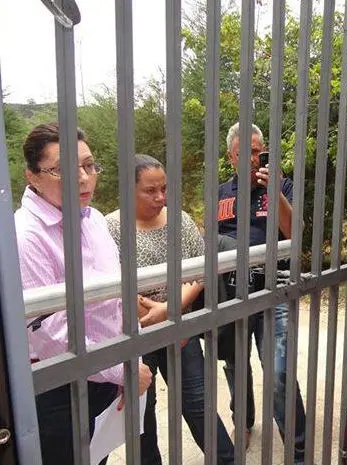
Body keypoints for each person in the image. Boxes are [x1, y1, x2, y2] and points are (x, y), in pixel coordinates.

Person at [15, 122, 152, 465]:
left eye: (89, 165)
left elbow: (114, 299)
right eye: (63, 169)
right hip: (59, 389)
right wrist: (123, 370)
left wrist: (127, 358)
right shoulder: (25, 236)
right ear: (32, 175)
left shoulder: (94, 220)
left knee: (98, 458)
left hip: (105, 375)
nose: (84, 177)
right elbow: (50, 333)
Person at [105, 154, 234, 465]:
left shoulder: (180, 220)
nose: (161, 197)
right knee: (141, 418)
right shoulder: (110, 227)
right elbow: (114, 284)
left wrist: (170, 309)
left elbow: (200, 272)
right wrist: (152, 317)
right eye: (151, 190)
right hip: (135, 337)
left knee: (198, 404)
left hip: (180, 329)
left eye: (164, 188)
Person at [218, 122, 306, 462]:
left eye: (258, 152)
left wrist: (275, 194)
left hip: (274, 287)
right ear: (231, 157)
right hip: (233, 291)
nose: (254, 159)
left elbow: (294, 229)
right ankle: (244, 421)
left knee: (280, 371)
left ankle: (297, 449)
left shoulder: (281, 184)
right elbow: (210, 239)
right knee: (235, 364)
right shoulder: (222, 192)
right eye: (246, 153)